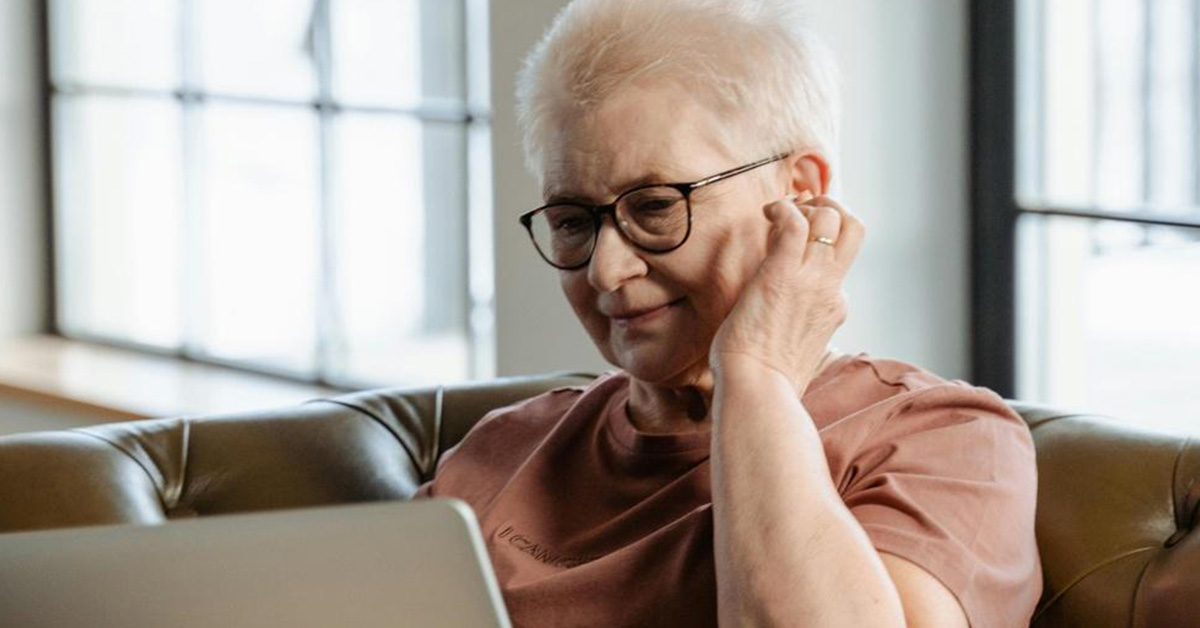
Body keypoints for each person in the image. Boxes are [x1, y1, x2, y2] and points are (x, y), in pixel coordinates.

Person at [416, 1, 1042, 626]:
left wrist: (756, 377)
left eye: (655, 207)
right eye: (573, 222)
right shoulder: (501, 454)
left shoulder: (944, 444)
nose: (607, 271)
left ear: (800, 190)